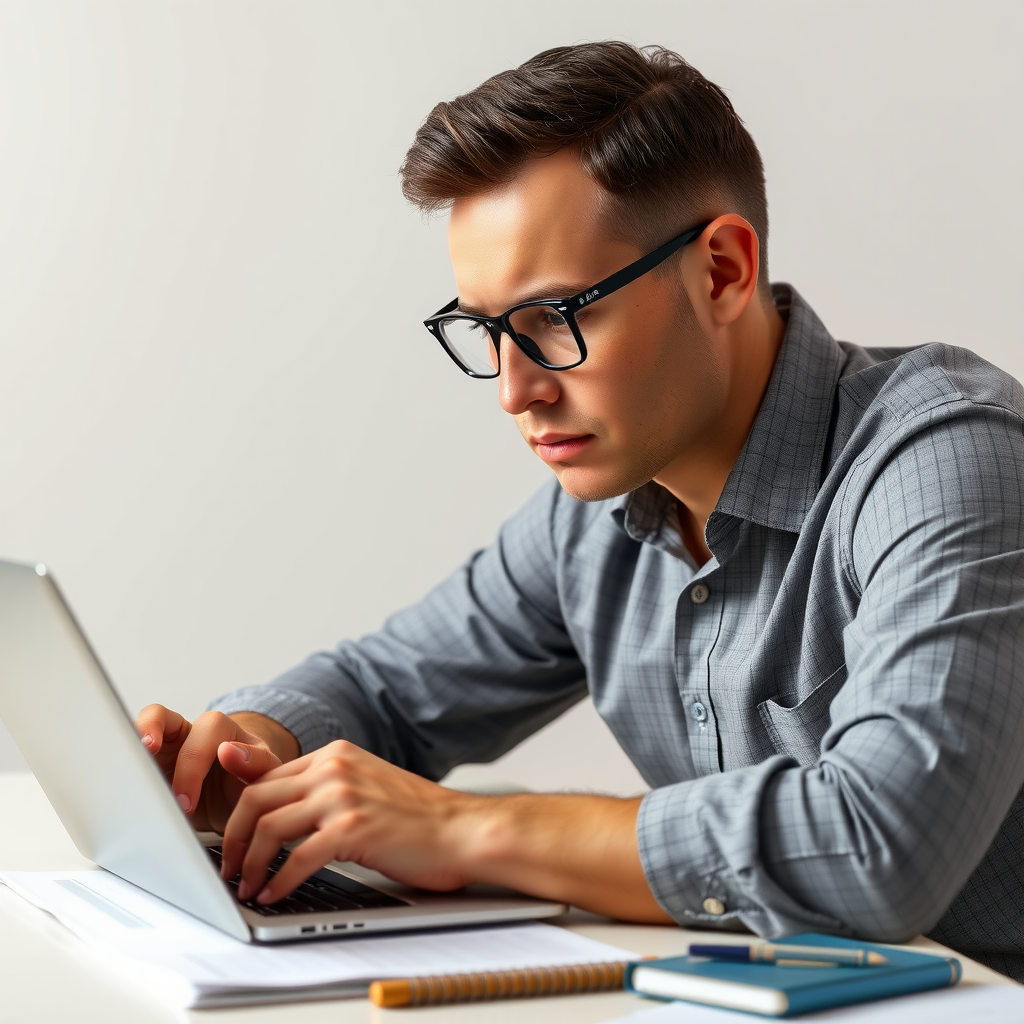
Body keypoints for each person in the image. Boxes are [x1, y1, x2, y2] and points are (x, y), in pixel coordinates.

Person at [136, 42, 1024, 978]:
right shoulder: (599, 512)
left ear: (722, 270)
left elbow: (882, 843)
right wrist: (249, 753)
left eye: (556, 318)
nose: (514, 391)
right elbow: (387, 691)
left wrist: (464, 829)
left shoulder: (950, 456)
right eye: (486, 330)